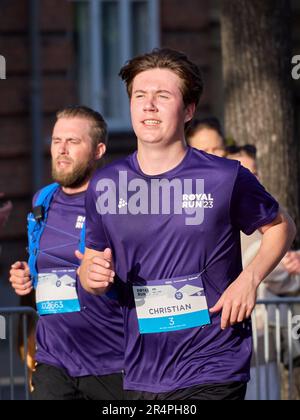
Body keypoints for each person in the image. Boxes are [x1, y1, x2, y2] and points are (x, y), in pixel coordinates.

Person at [80, 48, 296, 400]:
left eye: (162, 96)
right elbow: (91, 261)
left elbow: (281, 226)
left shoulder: (225, 177)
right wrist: (90, 277)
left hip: (214, 359)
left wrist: (250, 279)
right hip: (142, 368)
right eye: (140, 96)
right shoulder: (105, 185)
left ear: (189, 111)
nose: (148, 105)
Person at [9, 106, 124, 400]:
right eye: (56, 140)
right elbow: (45, 266)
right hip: (54, 360)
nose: (61, 149)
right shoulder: (42, 200)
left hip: (112, 362)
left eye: (73, 142)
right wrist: (26, 277)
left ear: (98, 150)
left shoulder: (117, 203)